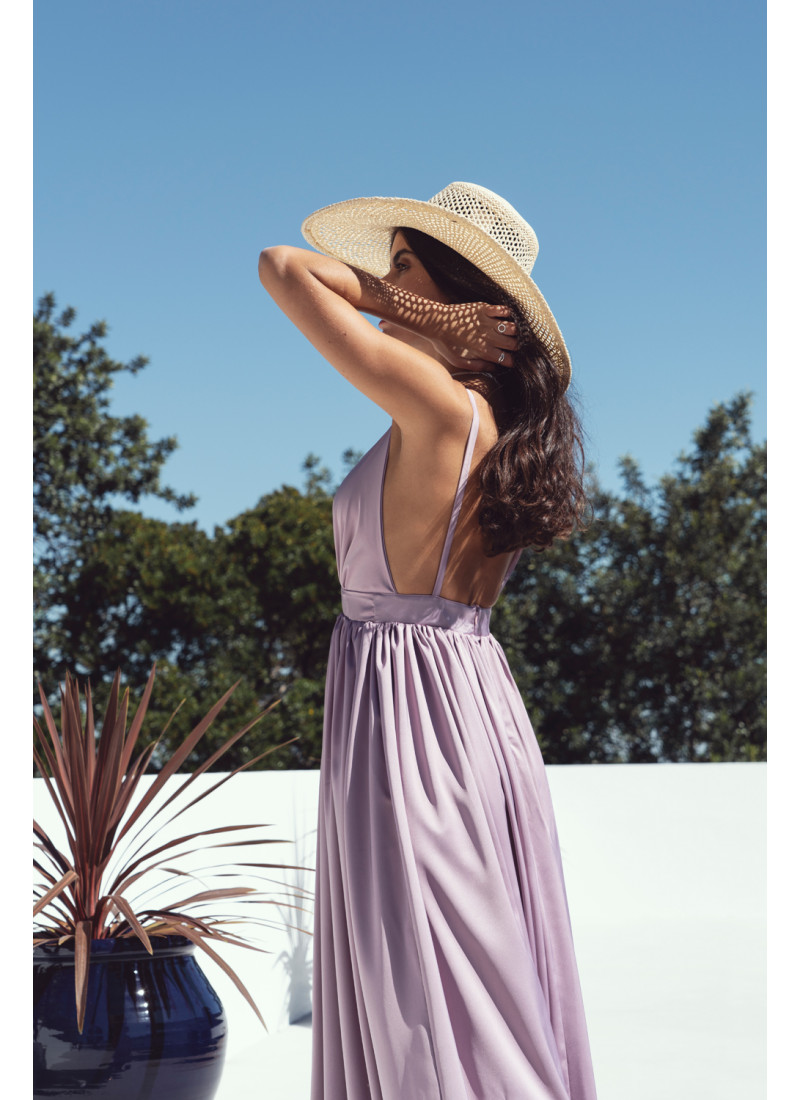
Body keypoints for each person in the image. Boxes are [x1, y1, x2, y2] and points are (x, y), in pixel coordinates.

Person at [259, 182, 597, 1100]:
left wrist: (418, 314)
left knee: (426, 990)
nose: (381, 281)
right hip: (465, 703)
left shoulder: (441, 406)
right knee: (468, 979)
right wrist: (418, 302)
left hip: (409, 720)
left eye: (403, 265)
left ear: (458, 297)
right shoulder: (491, 425)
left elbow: (283, 268)